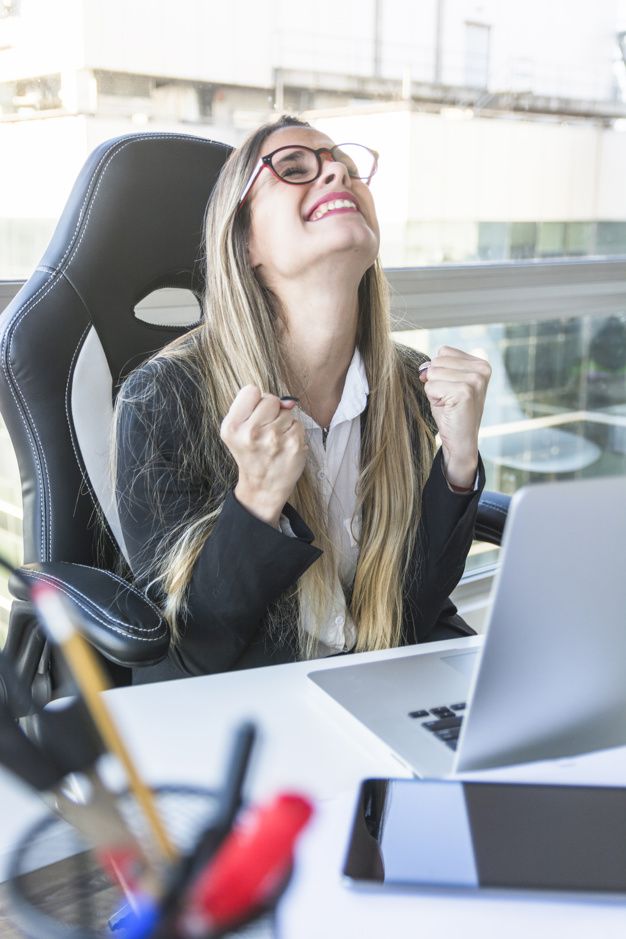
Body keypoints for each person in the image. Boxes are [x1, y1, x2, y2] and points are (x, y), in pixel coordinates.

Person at [113, 114, 491, 683]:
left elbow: (413, 612)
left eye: (345, 165)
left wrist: (458, 461)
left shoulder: (413, 386)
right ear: (245, 242)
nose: (337, 171)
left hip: (374, 689)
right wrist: (256, 499)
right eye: (294, 168)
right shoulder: (163, 398)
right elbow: (193, 653)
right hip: (250, 709)